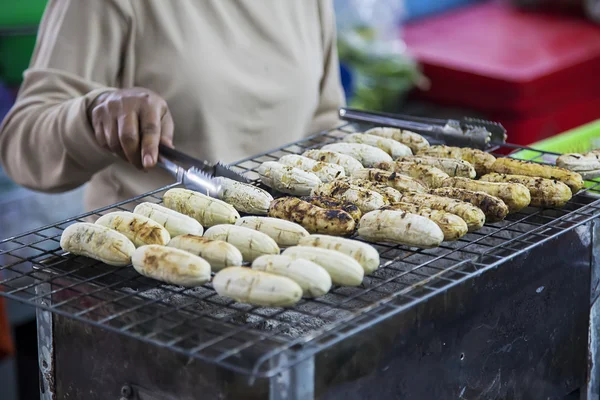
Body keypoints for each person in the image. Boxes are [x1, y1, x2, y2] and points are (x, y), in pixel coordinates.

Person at [0, 0, 344, 212]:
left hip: (281, 259)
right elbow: (21, 144)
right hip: (147, 266)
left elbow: (325, 125)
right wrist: (94, 113)